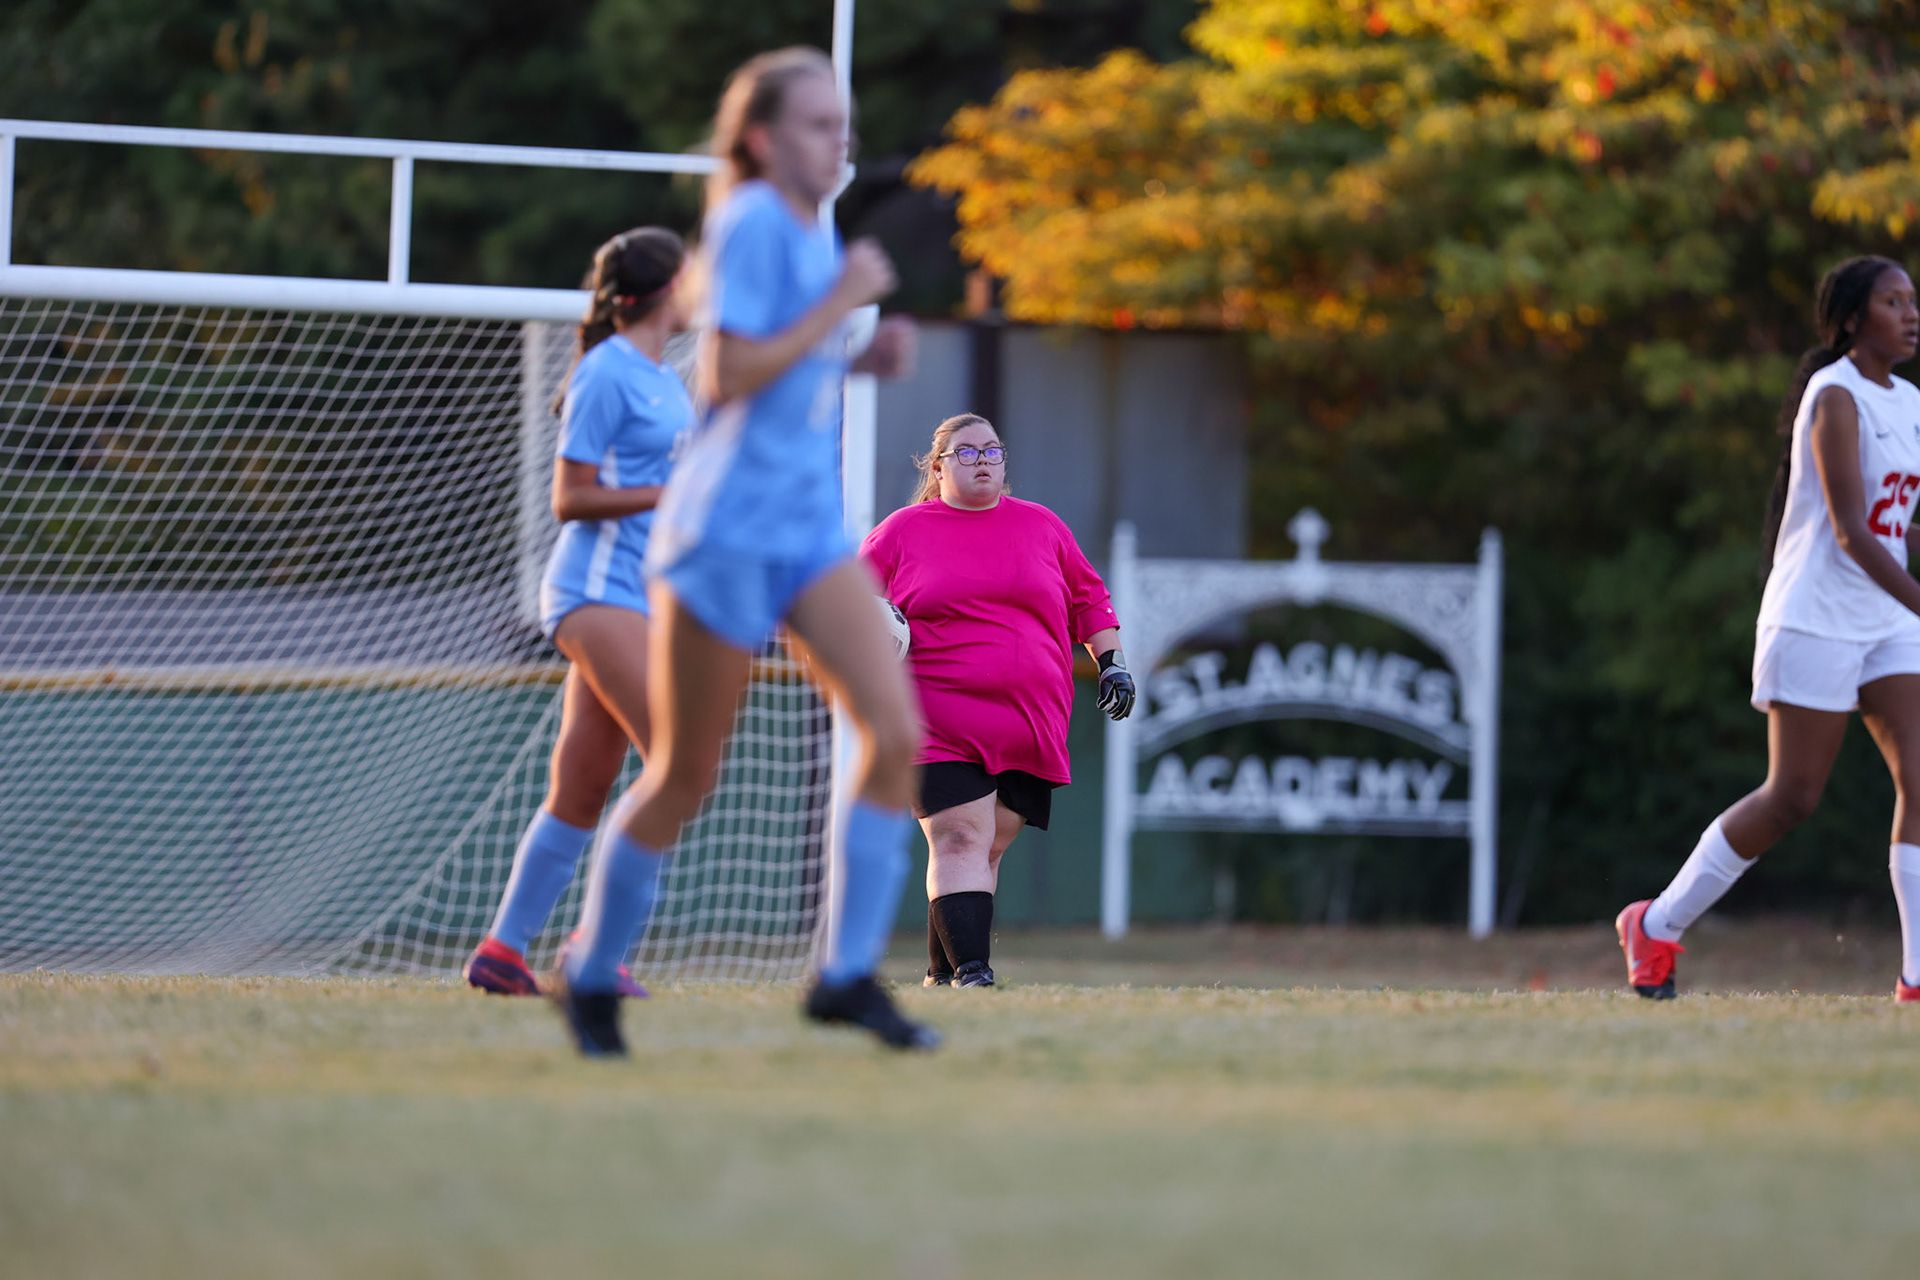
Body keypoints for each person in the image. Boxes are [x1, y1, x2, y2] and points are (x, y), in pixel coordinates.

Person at [550, 47, 931, 1055]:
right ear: (762, 140)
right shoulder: (755, 217)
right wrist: (843, 301)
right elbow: (723, 372)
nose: (837, 138)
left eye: (841, 121)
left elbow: (790, 361)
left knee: (894, 729)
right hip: (722, 534)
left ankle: (844, 973)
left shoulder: (811, 226)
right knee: (684, 772)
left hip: (806, 530)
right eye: (816, 122)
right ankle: (589, 975)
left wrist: (863, 352)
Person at [1617, 255, 1920, 1001]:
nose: (1911, 313)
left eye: (1913, 301)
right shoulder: (1834, 395)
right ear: (1852, 318)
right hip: (1816, 613)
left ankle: (1917, 975)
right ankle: (1655, 924)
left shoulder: (1910, 401)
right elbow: (1851, 531)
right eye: (1892, 301)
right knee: (1793, 797)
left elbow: (1904, 526)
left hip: (1885, 618)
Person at [463, 228, 691, 998]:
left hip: (639, 596)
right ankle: (595, 952)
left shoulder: (666, 376)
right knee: (678, 760)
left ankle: (503, 951)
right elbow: (571, 497)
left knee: (584, 785)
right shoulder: (605, 372)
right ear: (662, 290)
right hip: (592, 594)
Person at [861, 413, 1135, 988]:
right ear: (937, 469)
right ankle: (974, 973)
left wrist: (1112, 665)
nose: (982, 460)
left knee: (986, 849)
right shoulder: (902, 531)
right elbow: (850, 602)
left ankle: (942, 973)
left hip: (1030, 721)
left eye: (991, 450)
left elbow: (1089, 599)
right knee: (959, 837)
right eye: (965, 452)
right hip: (935, 715)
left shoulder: (1042, 526)